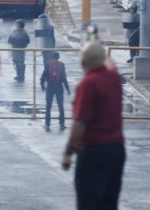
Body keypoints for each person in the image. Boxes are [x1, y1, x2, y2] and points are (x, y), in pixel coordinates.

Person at [61, 42, 125, 210]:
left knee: (88, 202)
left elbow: (80, 122)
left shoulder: (88, 84)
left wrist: (68, 152)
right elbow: (111, 63)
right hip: (116, 150)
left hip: (94, 152)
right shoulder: (114, 78)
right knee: (109, 203)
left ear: (83, 63)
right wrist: (98, 48)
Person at [41, 52, 71, 131]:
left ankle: (47, 124)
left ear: (52, 57)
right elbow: (64, 77)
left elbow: (43, 75)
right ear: (58, 57)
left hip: (50, 87)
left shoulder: (48, 64)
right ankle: (61, 123)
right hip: (59, 87)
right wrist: (67, 88)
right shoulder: (61, 65)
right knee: (60, 106)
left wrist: (42, 85)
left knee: (48, 106)